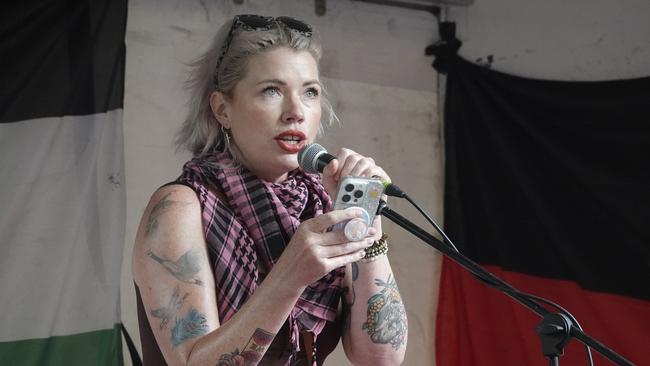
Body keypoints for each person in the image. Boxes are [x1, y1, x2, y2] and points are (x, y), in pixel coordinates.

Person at [132, 14, 408, 366]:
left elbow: (382, 357)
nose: (295, 112)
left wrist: (367, 222)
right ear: (222, 109)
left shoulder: (323, 206)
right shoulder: (179, 208)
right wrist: (289, 275)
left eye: (310, 92)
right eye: (271, 91)